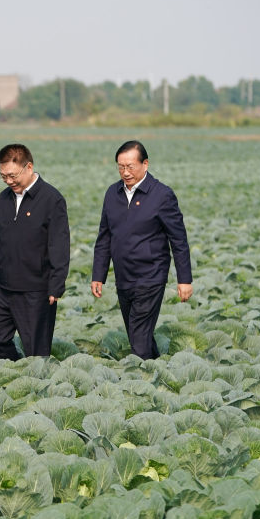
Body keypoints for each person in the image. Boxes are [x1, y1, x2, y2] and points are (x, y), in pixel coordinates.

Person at [91, 140, 193, 359]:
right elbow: (104, 237)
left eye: (130, 166)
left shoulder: (162, 195)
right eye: (121, 167)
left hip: (150, 276)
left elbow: (179, 240)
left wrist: (184, 280)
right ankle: (157, 372)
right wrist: (98, 275)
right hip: (123, 276)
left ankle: (139, 383)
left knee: (138, 336)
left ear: (145, 164)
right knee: (139, 335)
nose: (125, 172)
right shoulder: (112, 193)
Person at [0, 143, 70, 361]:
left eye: (12, 175)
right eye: (3, 176)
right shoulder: (4, 198)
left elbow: (59, 246)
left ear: (28, 167)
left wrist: (56, 286)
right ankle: (15, 372)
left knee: (36, 351)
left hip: (36, 289)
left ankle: (38, 388)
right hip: (5, 287)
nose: (9, 181)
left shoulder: (51, 199)